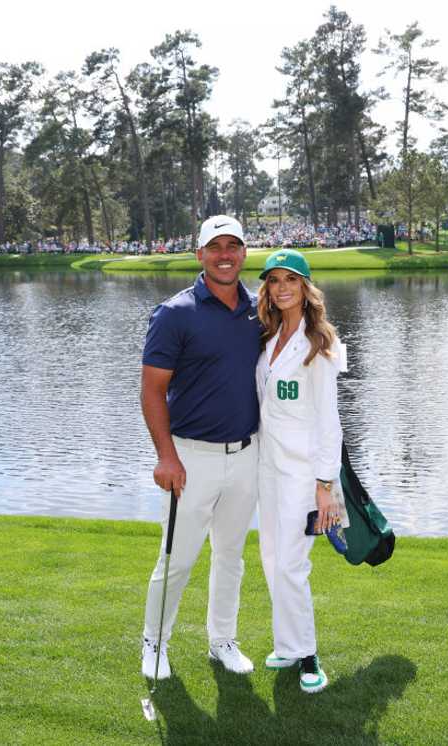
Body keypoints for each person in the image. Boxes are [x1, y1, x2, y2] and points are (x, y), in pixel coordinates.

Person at [139, 215, 261, 680]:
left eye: (233, 246)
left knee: (231, 556)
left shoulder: (259, 309)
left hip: (246, 455)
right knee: (177, 558)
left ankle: (222, 641)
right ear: (200, 255)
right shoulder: (175, 313)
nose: (224, 255)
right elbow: (152, 391)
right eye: (215, 247)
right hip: (190, 458)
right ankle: (154, 643)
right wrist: (165, 456)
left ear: (244, 253)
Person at [255, 249, 347, 695]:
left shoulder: (320, 344)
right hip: (268, 469)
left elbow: (330, 421)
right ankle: (287, 646)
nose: (282, 288)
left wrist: (325, 485)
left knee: (293, 564)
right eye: (274, 280)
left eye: (291, 279)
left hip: (304, 475)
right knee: (272, 559)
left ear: (305, 287)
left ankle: (309, 655)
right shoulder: (268, 339)